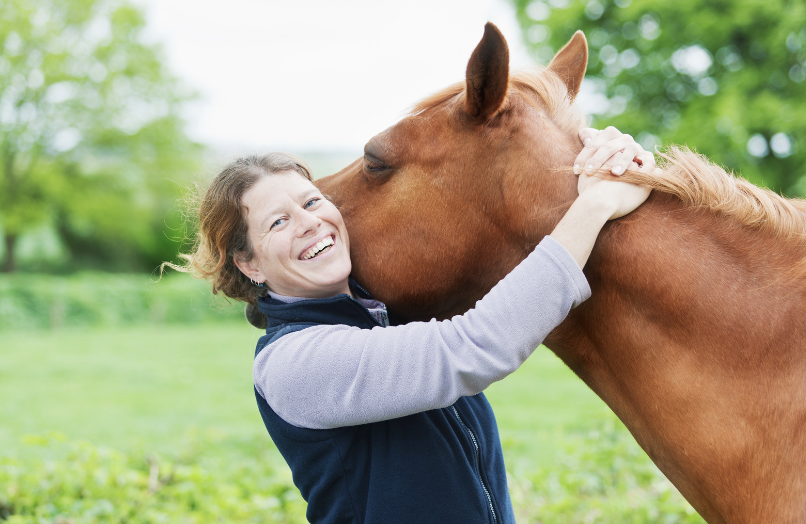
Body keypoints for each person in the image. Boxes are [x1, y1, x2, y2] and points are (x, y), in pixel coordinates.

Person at [173, 126, 658, 523]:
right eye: (277, 223)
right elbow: (472, 347)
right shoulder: (293, 364)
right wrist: (595, 205)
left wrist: (601, 161)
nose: (309, 222)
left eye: (312, 201)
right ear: (249, 264)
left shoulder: (386, 316)